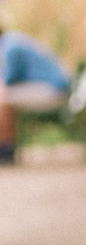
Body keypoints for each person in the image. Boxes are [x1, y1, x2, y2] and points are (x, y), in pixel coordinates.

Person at [0, 25, 72, 163]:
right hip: (54, 88)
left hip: (54, 89)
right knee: (4, 97)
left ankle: (5, 150)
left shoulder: (10, 47)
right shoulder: (13, 40)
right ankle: (6, 148)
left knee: (3, 99)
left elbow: (8, 78)